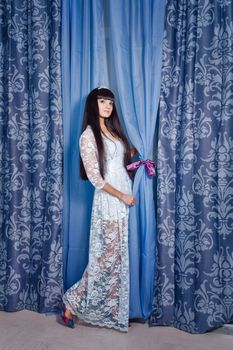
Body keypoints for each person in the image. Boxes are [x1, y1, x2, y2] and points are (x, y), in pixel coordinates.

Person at [62, 87, 136, 332]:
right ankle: (71, 303)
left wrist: (135, 153)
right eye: (102, 101)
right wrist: (122, 195)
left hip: (125, 197)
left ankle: (114, 311)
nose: (107, 106)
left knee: (118, 258)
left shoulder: (114, 131)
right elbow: (96, 179)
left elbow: (119, 161)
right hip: (110, 200)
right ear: (93, 105)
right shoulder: (88, 136)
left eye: (110, 102)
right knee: (105, 257)